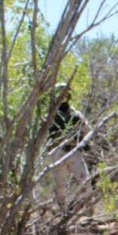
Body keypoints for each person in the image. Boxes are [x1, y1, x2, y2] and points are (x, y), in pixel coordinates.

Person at [48, 83, 90, 212]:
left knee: (85, 180)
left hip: (73, 151)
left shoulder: (75, 114)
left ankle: (89, 211)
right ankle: (62, 212)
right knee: (60, 186)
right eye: (61, 93)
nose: (63, 96)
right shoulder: (50, 115)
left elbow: (87, 130)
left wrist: (83, 144)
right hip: (56, 153)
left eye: (65, 93)